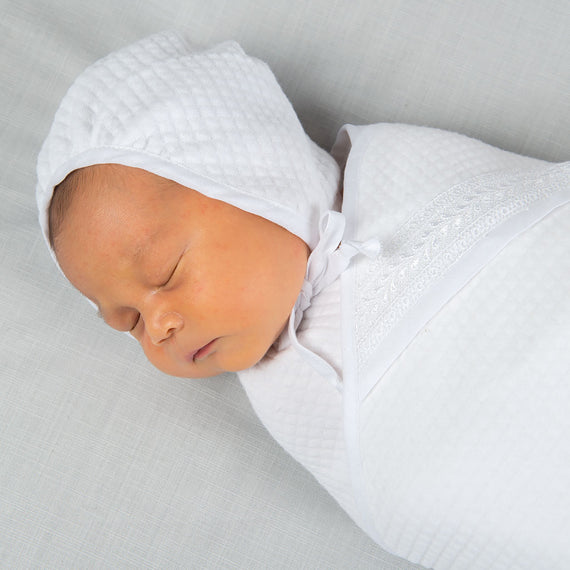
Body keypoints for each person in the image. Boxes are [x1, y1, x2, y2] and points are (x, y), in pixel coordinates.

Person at [37, 31, 570, 570]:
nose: (159, 326)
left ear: (256, 175)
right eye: (128, 322)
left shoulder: (417, 184)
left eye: (165, 272)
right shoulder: (291, 388)